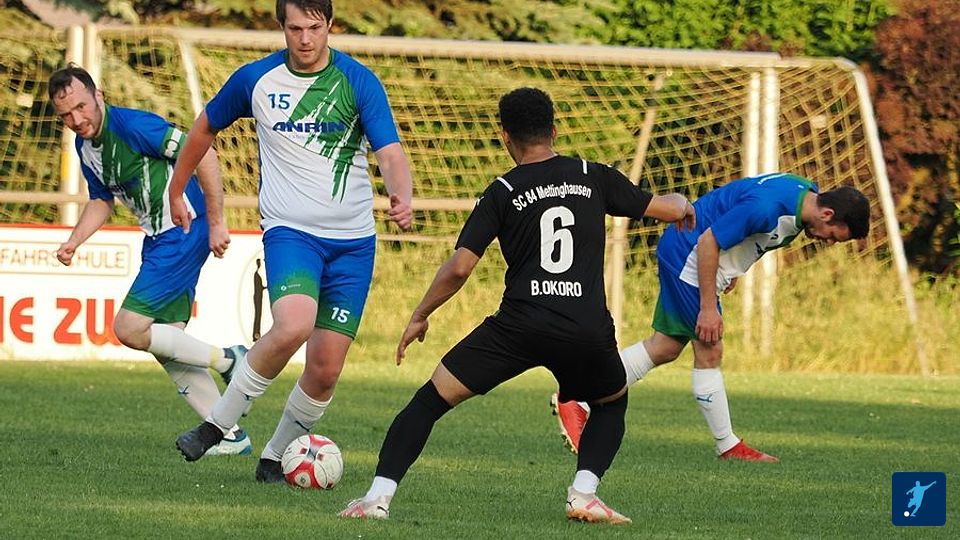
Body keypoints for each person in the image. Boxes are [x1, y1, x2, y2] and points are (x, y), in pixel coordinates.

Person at [338, 87, 695, 523]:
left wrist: (421, 314)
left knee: (429, 402)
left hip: (518, 327)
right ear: (554, 131)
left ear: (505, 136)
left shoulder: (503, 191)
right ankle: (583, 493)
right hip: (584, 326)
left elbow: (460, 268)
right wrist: (683, 205)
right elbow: (665, 208)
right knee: (611, 402)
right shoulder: (592, 175)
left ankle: (376, 499)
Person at [171, 0, 414, 483]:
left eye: (314, 28)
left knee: (325, 370)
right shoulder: (256, 80)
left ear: (330, 26)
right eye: (295, 28)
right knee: (293, 324)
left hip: (353, 244)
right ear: (281, 27)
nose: (305, 38)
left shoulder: (358, 81)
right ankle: (215, 426)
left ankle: (274, 457)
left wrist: (400, 194)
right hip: (291, 232)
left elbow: (389, 152)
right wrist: (177, 189)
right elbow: (204, 128)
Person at [551, 172, 871, 462]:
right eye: (834, 235)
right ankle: (728, 445)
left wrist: (733, 269)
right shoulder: (767, 207)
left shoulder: (803, 191)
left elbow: (739, 217)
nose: (829, 242)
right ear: (827, 214)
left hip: (695, 253)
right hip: (690, 255)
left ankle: (577, 398)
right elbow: (710, 240)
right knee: (710, 347)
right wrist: (707, 308)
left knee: (665, 347)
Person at [49, 64, 251, 456]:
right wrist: (74, 241)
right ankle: (228, 435)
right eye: (66, 115)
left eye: (81, 107)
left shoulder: (133, 126)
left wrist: (217, 221)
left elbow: (203, 150)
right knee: (167, 343)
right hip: (159, 239)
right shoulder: (84, 146)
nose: (77, 119)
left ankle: (229, 360)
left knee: (129, 328)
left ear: (98, 95)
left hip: (183, 230)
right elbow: (101, 201)